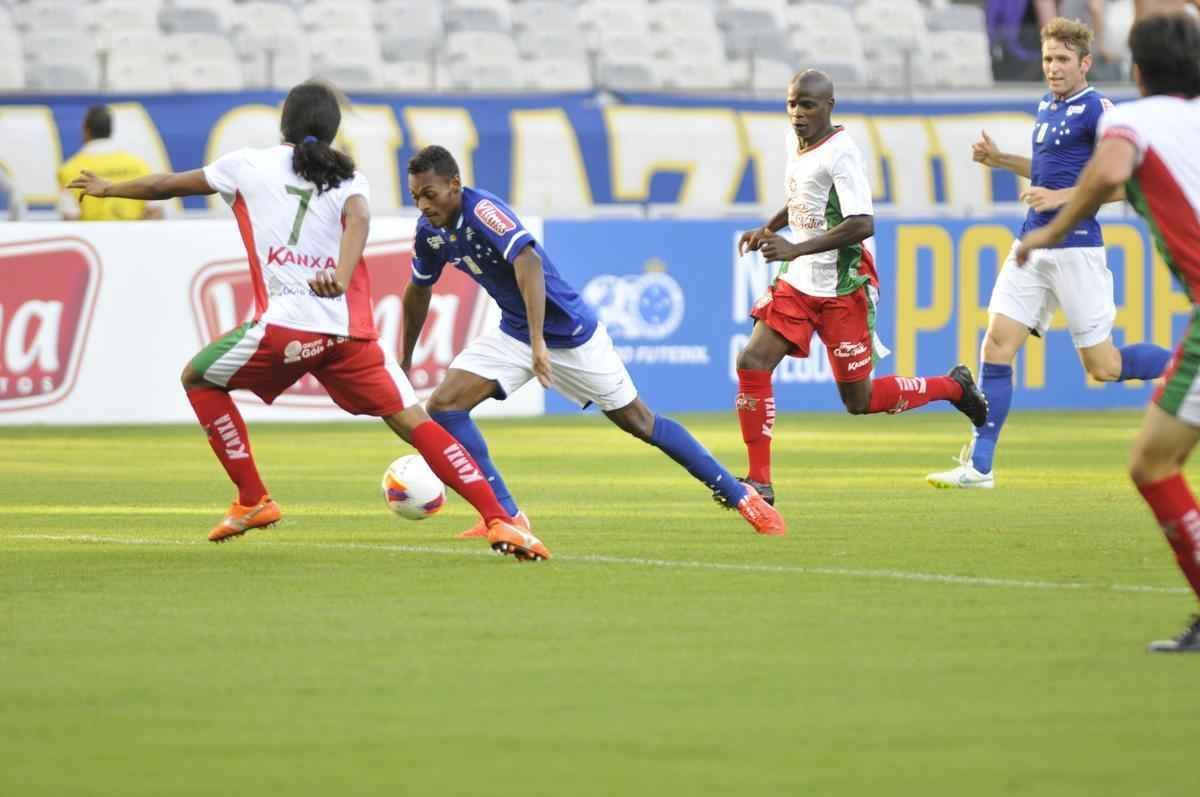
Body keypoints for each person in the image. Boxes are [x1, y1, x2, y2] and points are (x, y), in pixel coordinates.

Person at [67, 81, 544, 561]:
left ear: (283, 123)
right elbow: (359, 220)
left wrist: (110, 189)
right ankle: (502, 520)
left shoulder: (246, 165)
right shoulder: (349, 177)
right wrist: (339, 275)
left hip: (287, 325)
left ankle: (253, 498)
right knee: (416, 422)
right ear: (333, 130)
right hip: (350, 333)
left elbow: (167, 185)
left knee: (197, 379)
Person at [402, 145, 785, 539]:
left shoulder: (482, 211)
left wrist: (539, 343)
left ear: (454, 184)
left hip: (571, 337)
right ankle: (505, 516)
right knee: (445, 405)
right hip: (515, 332)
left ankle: (741, 497)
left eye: (429, 194)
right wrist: (405, 359)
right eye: (415, 196)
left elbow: (528, 262)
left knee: (640, 422)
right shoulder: (429, 232)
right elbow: (418, 290)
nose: (422, 204)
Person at [1015, 11, 1200, 652]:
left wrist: (1052, 226)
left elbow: (1111, 166)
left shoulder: (1131, 122)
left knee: (1152, 464)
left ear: (1135, 70)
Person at [927, 17, 1173, 490]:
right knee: (996, 344)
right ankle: (980, 467)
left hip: (1076, 249)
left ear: (1084, 63)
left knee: (1104, 367)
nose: (1053, 68)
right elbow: (1044, 174)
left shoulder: (1098, 110)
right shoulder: (1047, 106)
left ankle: (1189, 365)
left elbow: (1128, 180)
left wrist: (1065, 200)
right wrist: (1000, 160)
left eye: (1062, 59)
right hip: (1031, 244)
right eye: (1047, 59)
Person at [734, 70, 989, 506]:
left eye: (808, 105)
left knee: (859, 400)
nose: (798, 113)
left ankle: (954, 387)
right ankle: (760, 482)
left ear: (829, 106)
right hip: (798, 286)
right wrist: (769, 227)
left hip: (842, 286)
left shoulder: (843, 154)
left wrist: (796, 248)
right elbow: (803, 198)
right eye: (792, 103)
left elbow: (862, 223)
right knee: (752, 362)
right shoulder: (797, 143)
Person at [58, 105, 163, 222]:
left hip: (93, 238)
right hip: (133, 237)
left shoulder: (69, 170)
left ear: (85, 129)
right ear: (110, 129)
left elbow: (70, 217)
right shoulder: (139, 165)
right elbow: (155, 212)